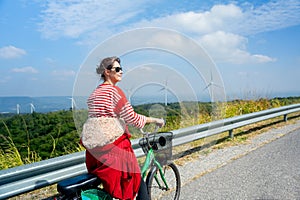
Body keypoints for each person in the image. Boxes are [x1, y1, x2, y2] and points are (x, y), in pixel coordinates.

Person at [83, 56, 164, 200]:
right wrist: (155, 120)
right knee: (136, 182)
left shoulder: (94, 94)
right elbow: (132, 118)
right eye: (117, 69)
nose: (121, 72)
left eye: (122, 69)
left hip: (94, 151)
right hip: (114, 149)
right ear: (107, 72)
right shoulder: (114, 92)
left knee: (111, 189)